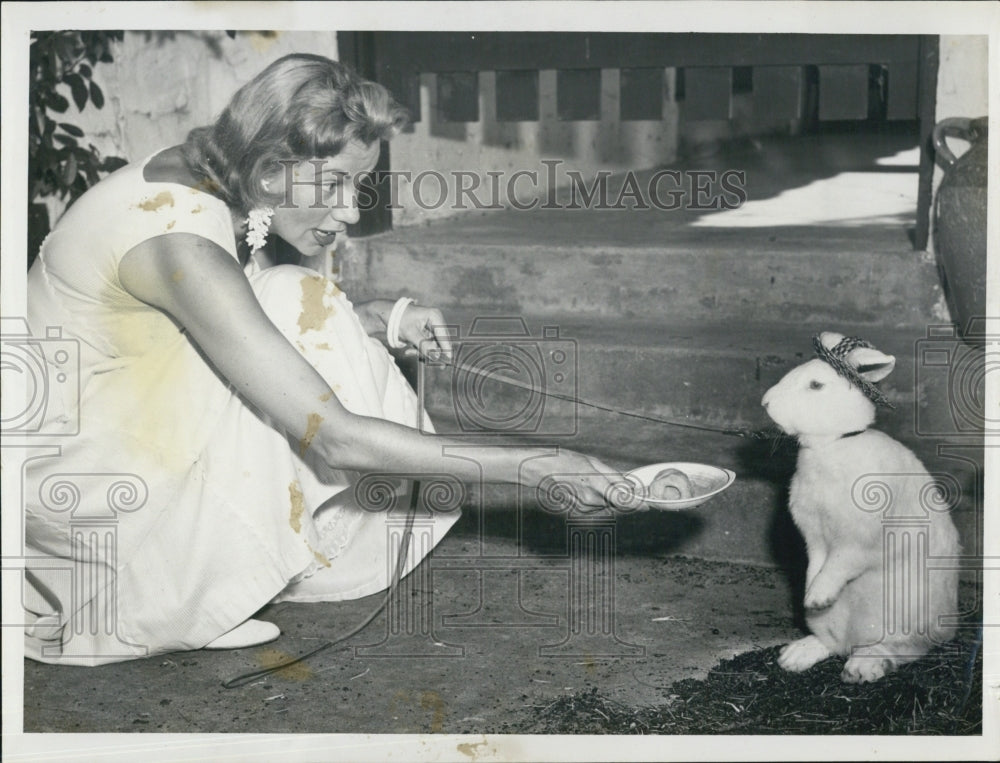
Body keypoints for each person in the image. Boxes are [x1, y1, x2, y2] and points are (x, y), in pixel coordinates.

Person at [23, 53, 635, 665]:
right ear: (268, 171)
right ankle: (163, 597)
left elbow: (214, 325)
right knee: (300, 296)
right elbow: (336, 439)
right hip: (79, 495)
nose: (350, 211)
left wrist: (373, 318)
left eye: (358, 185)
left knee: (301, 295)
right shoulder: (178, 238)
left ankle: (236, 566)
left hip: (109, 433)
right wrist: (536, 464)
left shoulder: (210, 176)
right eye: (335, 184)